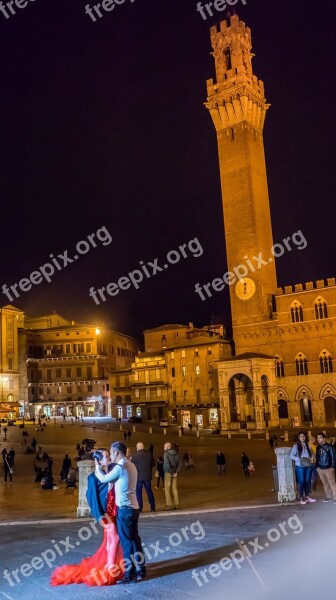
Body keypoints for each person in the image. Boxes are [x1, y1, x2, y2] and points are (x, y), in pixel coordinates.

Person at [51, 448, 124, 586]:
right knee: (115, 537)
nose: (108, 458)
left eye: (108, 455)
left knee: (110, 539)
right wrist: (100, 517)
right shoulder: (93, 477)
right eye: (105, 456)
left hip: (114, 511)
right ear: (98, 460)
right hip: (105, 513)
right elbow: (92, 497)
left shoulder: (113, 471)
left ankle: (110, 563)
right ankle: (109, 567)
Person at [94, 441, 146, 584]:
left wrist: (97, 466)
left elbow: (103, 479)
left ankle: (129, 573)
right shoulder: (131, 465)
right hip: (135, 507)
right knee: (135, 539)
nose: (110, 455)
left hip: (124, 509)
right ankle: (141, 569)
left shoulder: (120, 467)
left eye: (111, 452)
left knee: (126, 542)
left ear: (117, 453)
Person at [290, 431, 316, 505]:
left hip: (308, 465)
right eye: (301, 436)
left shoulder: (308, 445)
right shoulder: (296, 446)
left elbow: (311, 454)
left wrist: (311, 457)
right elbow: (291, 456)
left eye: (303, 436)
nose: (302, 438)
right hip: (300, 466)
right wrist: (298, 459)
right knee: (301, 481)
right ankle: (301, 498)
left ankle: (307, 496)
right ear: (299, 438)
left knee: (307, 481)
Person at [131, 442, 156, 512]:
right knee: (149, 491)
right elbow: (153, 464)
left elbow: (132, 467)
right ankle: (152, 506)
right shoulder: (148, 455)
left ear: (137, 448)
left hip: (138, 477)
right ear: (143, 447)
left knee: (138, 492)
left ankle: (140, 508)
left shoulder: (134, 456)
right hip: (147, 476)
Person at [315, 432, 336, 503]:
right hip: (320, 468)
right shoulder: (318, 447)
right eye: (318, 438)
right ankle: (329, 496)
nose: (318, 439)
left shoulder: (330, 447)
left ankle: (335, 497)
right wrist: (317, 467)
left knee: (332, 483)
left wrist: (332, 467)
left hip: (328, 468)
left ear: (324, 438)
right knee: (325, 483)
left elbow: (333, 457)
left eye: (320, 437)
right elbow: (317, 457)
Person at [163, 442, 182, 510]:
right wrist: (176, 472)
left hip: (168, 473)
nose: (164, 448)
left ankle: (169, 505)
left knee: (167, 489)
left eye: (164, 447)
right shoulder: (177, 454)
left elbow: (167, 465)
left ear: (168, 447)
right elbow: (180, 464)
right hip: (175, 473)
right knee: (175, 488)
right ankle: (177, 504)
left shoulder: (166, 454)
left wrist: (171, 472)